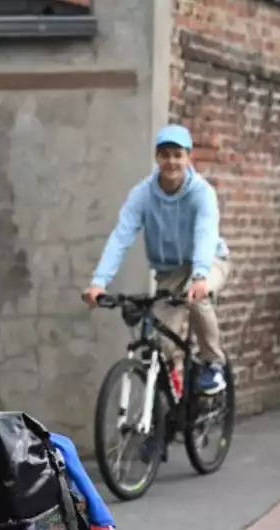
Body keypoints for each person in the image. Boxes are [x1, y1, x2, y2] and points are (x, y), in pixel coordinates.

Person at [84, 124, 231, 395]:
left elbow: (205, 234)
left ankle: (213, 363)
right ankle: (169, 413)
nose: (171, 161)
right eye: (165, 154)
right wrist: (99, 282)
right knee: (160, 346)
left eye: (178, 154)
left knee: (198, 299)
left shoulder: (201, 193)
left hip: (210, 260)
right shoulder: (143, 194)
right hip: (170, 271)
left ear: (189, 158)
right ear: (156, 158)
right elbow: (121, 236)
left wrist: (199, 275)